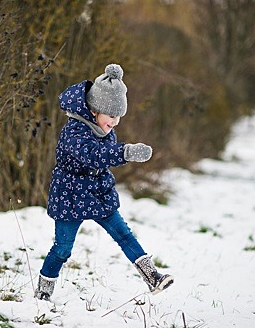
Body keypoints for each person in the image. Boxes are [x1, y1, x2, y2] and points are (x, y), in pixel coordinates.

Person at [34, 64, 174, 301]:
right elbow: (94, 155)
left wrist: (123, 152)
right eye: (112, 116)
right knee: (62, 249)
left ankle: (153, 278)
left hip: (98, 192)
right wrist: (126, 152)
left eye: (119, 116)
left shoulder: (106, 130)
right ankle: (43, 292)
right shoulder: (74, 132)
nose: (116, 121)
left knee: (124, 235)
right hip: (70, 195)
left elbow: (106, 155)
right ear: (95, 110)